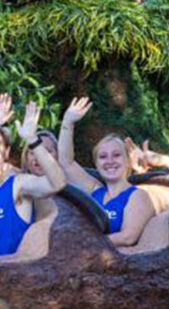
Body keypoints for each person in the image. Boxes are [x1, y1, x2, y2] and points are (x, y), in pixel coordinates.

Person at [0, 102, 66, 257]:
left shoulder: (18, 185)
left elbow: (57, 183)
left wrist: (32, 140)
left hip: (13, 275)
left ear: (6, 152)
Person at [58, 96, 156, 247]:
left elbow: (127, 237)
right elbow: (66, 163)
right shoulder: (95, 191)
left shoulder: (138, 196)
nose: (110, 161)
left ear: (128, 160)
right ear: (96, 164)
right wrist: (67, 122)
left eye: (116, 155)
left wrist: (84, 243)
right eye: (103, 157)